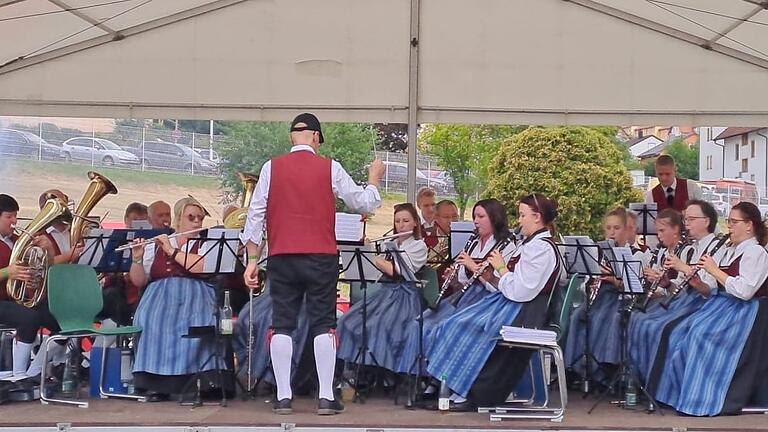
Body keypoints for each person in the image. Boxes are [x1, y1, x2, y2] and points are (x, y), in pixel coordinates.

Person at [241, 113, 384, 415]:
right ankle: (325, 396)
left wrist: (252, 259)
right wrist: (373, 180)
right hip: (321, 257)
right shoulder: (330, 168)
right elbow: (363, 203)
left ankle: (282, 396)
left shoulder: (271, 168)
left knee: (282, 324)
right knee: (323, 325)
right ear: (316, 137)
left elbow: (254, 216)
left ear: (293, 136)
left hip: (281, 255)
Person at [423, 193, 562, 410]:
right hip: (513, 305)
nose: (519, 220)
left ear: (537, 217)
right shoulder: (532, 244)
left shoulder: (541, 248)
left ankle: (467, 390)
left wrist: (500, 267)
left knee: (464, 325)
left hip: (524, 312)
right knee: (455, 322)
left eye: (523, 215)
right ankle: (453, 387)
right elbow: (514, 285)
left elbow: (521, 290)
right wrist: (490, 277)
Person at [649, 202, 768, 416]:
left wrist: (714, 270)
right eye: (729, 221)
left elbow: (745, 290)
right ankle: (677, 396)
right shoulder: (730, 250)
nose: (728, 226)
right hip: (723, 305)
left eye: (734, 222)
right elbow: (711, 287)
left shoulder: (756, 252)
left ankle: (702, 398)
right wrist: (694, 279)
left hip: (745, 313)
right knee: (683, 333)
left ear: (749, 225)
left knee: (699, 336)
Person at [395, 199, 516, 376]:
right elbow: (464, 283)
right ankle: (417, 376)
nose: (475, 221)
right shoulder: (473, 243)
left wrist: (472, 266)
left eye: (481, 216)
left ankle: (439, 378)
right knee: (421, 323)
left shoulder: (505, 246)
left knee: (441, 328)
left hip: (485, 302)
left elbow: (499, 287)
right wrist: (453, 281)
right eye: (475, 216)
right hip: (465, 297)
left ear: (494, 219)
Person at [129, 197, 218, 400]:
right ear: (179, 220)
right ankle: (156, 383)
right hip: (159, 296)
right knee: (150, 320)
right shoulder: (155, 244)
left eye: (200, 218)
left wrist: (171, 250)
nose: (197, 222)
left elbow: (202, 268)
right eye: (191, 217)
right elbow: (139, 281)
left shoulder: (205, 244)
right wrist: (137, 258)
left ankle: (195, 382)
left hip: (195, 295)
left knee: (195, 321)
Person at [630, 201, 724, 386]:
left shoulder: (717, 248)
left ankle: (658, 385)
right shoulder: (694, 248)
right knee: (640, 321)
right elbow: (678, 286)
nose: (686, 223)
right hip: (685, 301)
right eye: (685, 219)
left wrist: (683, 268)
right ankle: (639, 380)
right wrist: (666, 283)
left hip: (703, 306)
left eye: (691, 219)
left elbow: (708, 290)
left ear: (706, 221)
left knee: (659, 328)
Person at [337, 203, 428, 373]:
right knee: (348, 321)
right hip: (386, 294)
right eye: (398, 221)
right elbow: (374, 268)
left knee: (379, 325)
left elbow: (395, 270)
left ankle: (380, 373)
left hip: (405, 297)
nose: (401, 225)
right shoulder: (389, 243)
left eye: (406, 221)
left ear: (415, 222)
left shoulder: (418, 246)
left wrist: (371, 255)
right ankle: (356, 370)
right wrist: (364, 247)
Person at [564, 207, 649, 378]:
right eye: (608, 228)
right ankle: (574, 368)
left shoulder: (636, 255)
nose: (612, 233)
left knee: (601, 319)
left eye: (617, 228)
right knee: (576, 316)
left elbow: (633, 288)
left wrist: (612, 279)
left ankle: (603, 369)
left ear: (626, 231)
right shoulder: (599, 253)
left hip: (618, 298)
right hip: (599, 296)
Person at [0, 194, 60, 378]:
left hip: (17, 300)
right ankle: (18, 375)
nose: (14, 221)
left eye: (15, 216)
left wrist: (47, 250)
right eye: (9, 217)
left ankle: (35, 371)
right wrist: (6, 272)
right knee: (29, 318)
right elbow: (10, 272)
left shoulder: (19, 241)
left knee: (62, 320)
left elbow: (47, 268)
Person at [99, 202, 148, 326]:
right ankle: (123, 327)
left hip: (135, 292)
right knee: (112, 296)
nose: (137, 225)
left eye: (142, 221)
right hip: (114, 289)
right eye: (134, 220)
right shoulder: (116, 239)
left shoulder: (148, 242)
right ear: (126, 220)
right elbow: (103, 267)